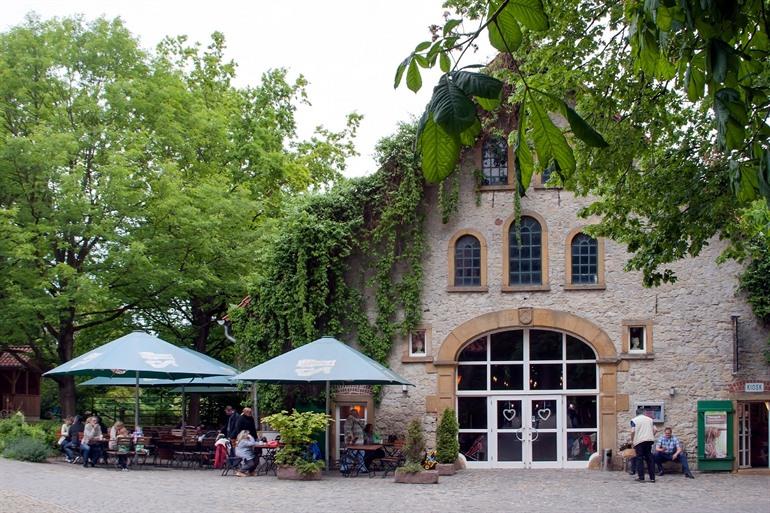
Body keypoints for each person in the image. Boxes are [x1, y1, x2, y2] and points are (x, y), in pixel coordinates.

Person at [630, 407, 657, 482]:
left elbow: (633, 431)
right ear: (643, 413)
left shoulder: (634, 420)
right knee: (649, 458)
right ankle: (652, 478)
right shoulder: (650, 420)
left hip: (639, 441)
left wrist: (632, 440)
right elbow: (655, 429)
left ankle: (641, 477)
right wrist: (651, 435)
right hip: (649, 440)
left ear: (636, 414)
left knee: (639, 458)